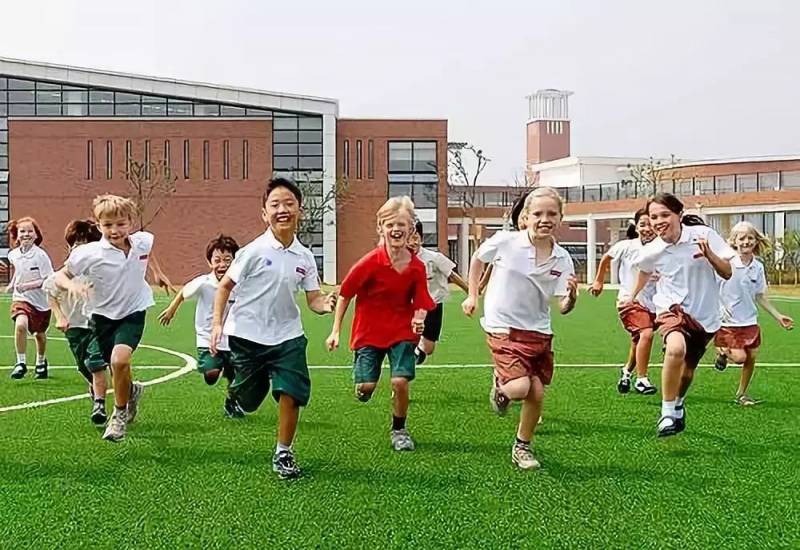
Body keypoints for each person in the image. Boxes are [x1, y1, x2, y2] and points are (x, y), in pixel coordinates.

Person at [210, 177, 336, 480]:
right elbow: (225, 286)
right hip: (247, 336)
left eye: (289, 204)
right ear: (264, 213)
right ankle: (237, 393)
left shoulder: (305, 257)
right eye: (275, 204)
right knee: (249, 400)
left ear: (300, 210)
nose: (283, 210)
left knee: (291, 391)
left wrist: (326, 304)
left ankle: (284, 452)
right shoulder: (253, 251)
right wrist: (216, 324)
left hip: (287, 336)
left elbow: (313, 299)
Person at [462, 187, 578, 470]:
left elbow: (563, 307)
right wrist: (473, 295)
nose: (544, 219)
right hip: (503, 326)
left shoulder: (562, 258)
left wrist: (572, 297)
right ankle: (502, 384)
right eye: (538, 213)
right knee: (519, 387)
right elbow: (478, 259)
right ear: (525, 217)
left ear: (560, 218)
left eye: (551, 214)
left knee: (536, 393)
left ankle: (522, 447)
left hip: (538, 331)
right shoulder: (506, 242)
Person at [55, 195, 174, 442]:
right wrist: (72, 285)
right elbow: (60, 276)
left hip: (133, 310)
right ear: (99, 225)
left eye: (121, 224)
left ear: (131, 222)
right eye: (107, 225)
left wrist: (158, 273)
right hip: (102, 317)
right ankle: (132, 391)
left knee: (119, 361)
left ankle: (118, 417)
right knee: (117, 367)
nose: (114, 230)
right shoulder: (89, 253)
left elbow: (147, 252)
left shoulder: (142, 241)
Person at [326, 196, 435, 453]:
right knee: (366, 388)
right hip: (369, 332)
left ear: (411, 229)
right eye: (390, 225)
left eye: (401, 225)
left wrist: (419, 319)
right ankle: (363, 385)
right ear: (380, 228)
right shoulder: (369, 263)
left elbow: (422, 301)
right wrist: (335, 331)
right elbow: (345, 294)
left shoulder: (417, 267)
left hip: (401, 332)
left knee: (400, 382)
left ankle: (399, 430)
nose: (396, 229)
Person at [631, 193, 735, 437]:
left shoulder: (703, 235)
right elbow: (644, 271)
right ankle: (667, 412)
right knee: (676, 349)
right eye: (654, 217)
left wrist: (710, 255)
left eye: (665, 215)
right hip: (671, 309)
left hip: (704, 315)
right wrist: (633, 295)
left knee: (687, 372)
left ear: (679, 214)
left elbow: (727, 272)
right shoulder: (652, 250)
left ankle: (678, 403)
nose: (659, 221)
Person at [158, 234, 245, 418]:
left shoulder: (241, 283)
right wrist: (171, 310)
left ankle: (231, 402)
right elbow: (184, 292)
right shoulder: (204, 282)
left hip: (234, 337)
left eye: (227, 260)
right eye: (217, 260)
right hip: (207, 337)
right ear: (209, 262)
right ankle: (217, 365)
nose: (222, 265)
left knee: (236, 376)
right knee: (211, 374)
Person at [713, 221, 793, 405]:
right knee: (739, 358)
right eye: (742, 238)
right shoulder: (725, 262)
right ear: (734, 241)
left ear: (756, 241)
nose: (746, 242)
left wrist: (778, 316)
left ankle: (742, 394)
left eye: (750, 238)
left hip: (749, 320)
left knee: (751, 357)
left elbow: (760, 296)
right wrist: (718, 309)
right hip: (728, 321)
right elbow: (710, 287)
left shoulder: (758, 267)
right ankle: (722, 350)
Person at [44, 219, 110, 425]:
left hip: (97, 325)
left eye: (85, 244)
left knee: (96, 363)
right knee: (84, 367)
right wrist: (59, 316)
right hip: (74, 327)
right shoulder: (63, 274)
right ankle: (127, 389)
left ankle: (99, 405)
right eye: (75, 244)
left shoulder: (99, 271)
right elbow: (51, 294)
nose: (79, 249)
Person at [590, 208, 658, 395]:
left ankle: (626, 372)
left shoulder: (663, 248)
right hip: (629, 301)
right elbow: (606, 258)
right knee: (646, 334)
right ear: (636, 227)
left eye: (651, 224)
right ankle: (642, 379)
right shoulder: (627, 246)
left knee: (639, 340)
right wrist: (599, 280)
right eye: (643, 224)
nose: (647, 229)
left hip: (653, 303)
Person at [408, 219, 469, 364]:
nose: (412, 242)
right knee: (406, 337)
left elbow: (451, 275)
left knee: (429, 348)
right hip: (411, 306)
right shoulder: (400, 260)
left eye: (415, 238)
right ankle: (407, 354)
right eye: (408, 239)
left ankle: (419, 347)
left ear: (421, 239)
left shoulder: (434, 258)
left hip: (433, 305)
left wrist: (470, 291)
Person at [6, 217, 53, 380]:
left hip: (40, 303)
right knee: (20, 325)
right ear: (17, 235)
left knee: (39, 334)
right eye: (22, 231)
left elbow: (48, 279)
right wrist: (12, 284)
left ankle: (41, 362)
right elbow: (19, 271)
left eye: (30, 231)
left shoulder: (40, 255)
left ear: (36, 235)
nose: (26, 234)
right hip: (21, 298)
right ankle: (20, 363)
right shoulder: (13, 255)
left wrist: (28, 285)